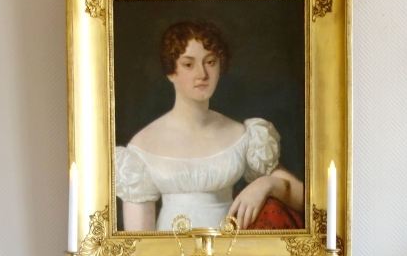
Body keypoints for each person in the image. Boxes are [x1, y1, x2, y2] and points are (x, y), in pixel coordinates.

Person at [115, 20, 304, 232]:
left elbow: (305, 199)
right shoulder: (142, 146)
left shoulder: (242, 135)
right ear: (171, 72)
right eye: (189, 64)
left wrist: (267, 184)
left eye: (210, 62)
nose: (202, 74)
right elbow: (139, 245)